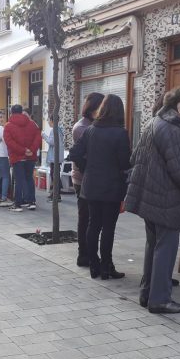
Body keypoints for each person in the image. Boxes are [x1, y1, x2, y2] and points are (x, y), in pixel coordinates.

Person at [125, 88, 180, 314]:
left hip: (149, 195)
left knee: (154, 245)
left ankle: (148, 293)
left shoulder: (156, 122)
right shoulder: (172, 129)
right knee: (166, 248)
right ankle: (160, 299)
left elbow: (139, 157)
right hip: (163, 197)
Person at [69, 94, 131, 280]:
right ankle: (106, 266)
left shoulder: (90, 130)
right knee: (108, 228)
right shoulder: (120, 134)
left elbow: (74, 153)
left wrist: (87, 168)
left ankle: (94, 264)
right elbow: (124, 163)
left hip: (91, 186)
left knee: (93, 225)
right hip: (111, 187)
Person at [72, 92, 104, 267]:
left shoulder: (93, 125)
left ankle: (89, 253)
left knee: (92, 218)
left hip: (92, 178)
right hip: (83, 179)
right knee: (85, 217)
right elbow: (82, 155)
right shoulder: (82, 127)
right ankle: (83, 254)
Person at [3, 104, 41, 212]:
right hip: (31, 156)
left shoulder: (8, 125)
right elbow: (38, 137)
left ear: (11, 112)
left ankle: (18, 204)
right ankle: (31, 202)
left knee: (19, 180)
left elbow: (9, 142)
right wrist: (31, 150)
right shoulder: (32, 124)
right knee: (29, 178)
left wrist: (23, 150)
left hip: (17, 156)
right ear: (21, 111)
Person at [42, 116, 65, 202]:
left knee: (54, 175)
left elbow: (51, 142)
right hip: (58, 156)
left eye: (48, 120)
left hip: (55, 156)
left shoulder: (54, 130)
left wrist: (43, 135)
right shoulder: (59, 129)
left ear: (52, 120)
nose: (48, 122)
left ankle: (56, 195)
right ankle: (55, 193)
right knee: (55, 175)